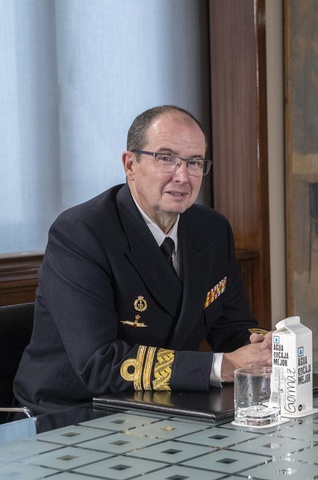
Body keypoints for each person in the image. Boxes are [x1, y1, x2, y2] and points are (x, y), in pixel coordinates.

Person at [14, 105, 272, 414]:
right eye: (166, 159)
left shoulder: (212, 230)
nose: (182, 176)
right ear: (130, 164)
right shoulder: (81, 234)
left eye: (194, 162)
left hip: (163, 406)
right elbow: (100, 363)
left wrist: (268, 348)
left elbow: (232, 328)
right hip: (72, 412)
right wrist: (224, 365)